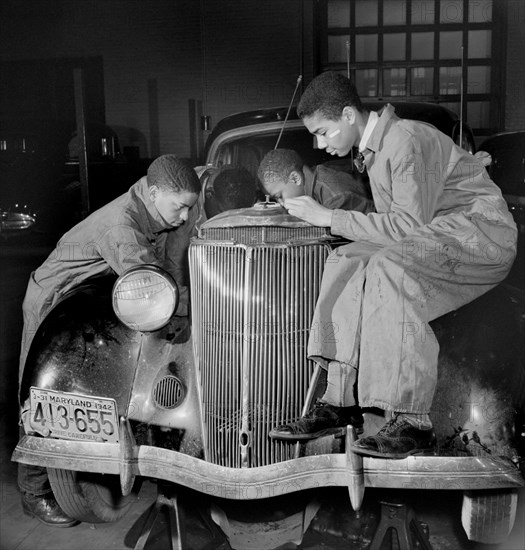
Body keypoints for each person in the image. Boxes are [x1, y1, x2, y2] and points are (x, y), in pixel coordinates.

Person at [269, 72, 518, 459]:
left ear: (349, 115)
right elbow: (395, 229)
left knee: (390, 269)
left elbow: (405, 227)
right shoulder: (375, 150)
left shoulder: (405, 140)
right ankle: (340, 400)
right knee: (344, 259)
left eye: (323, 132)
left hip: (481, 235)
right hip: (441, 232)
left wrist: (328, 217)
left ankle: (412, 420)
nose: (319, 144)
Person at [17, 154, 201, 526]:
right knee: (44, 399)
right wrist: (205, 304)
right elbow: (150, 289)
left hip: (98, 294)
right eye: (180, 207)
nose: (184, 217)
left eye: (189, 209)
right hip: (55, 298)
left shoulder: (153, 211)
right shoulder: (122, 226)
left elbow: (158, 273)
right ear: (154, 193)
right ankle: (35, 491)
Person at [258, 148, 374, 213]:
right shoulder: (315, 177)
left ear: (295, 178)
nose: (281, 204)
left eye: (279, 196)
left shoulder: (335, 198)